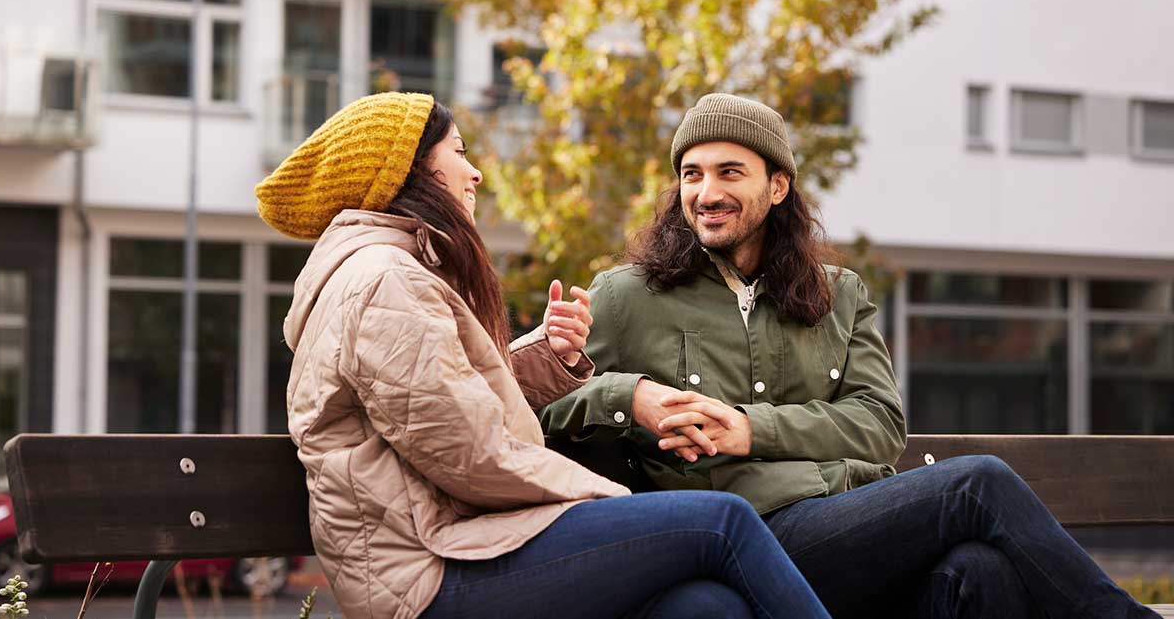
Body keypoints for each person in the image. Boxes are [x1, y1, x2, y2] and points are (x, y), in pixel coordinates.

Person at [540, 93, 1159, 619]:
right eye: (692, 174)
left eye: (730, 172)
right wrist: (631, 395)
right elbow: (547, 412)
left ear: (777, 186)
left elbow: (881, 426)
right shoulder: (627, 294)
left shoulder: (839, 294)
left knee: (980, 570)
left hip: (848, 521)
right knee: (979, 481)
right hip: (747, 535)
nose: (705, 192)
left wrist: (750, 430)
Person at [254, 92, 836, 619]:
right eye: (457, 151)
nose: (474, 170)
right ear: (411, 172)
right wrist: (607, 501)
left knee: (705, 608)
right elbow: (468, 453)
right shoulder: (384, 282)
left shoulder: (386, 276)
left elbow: (436, 406)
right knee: (722, 522)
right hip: (431, 571)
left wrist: (547, 356)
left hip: (456, 547)